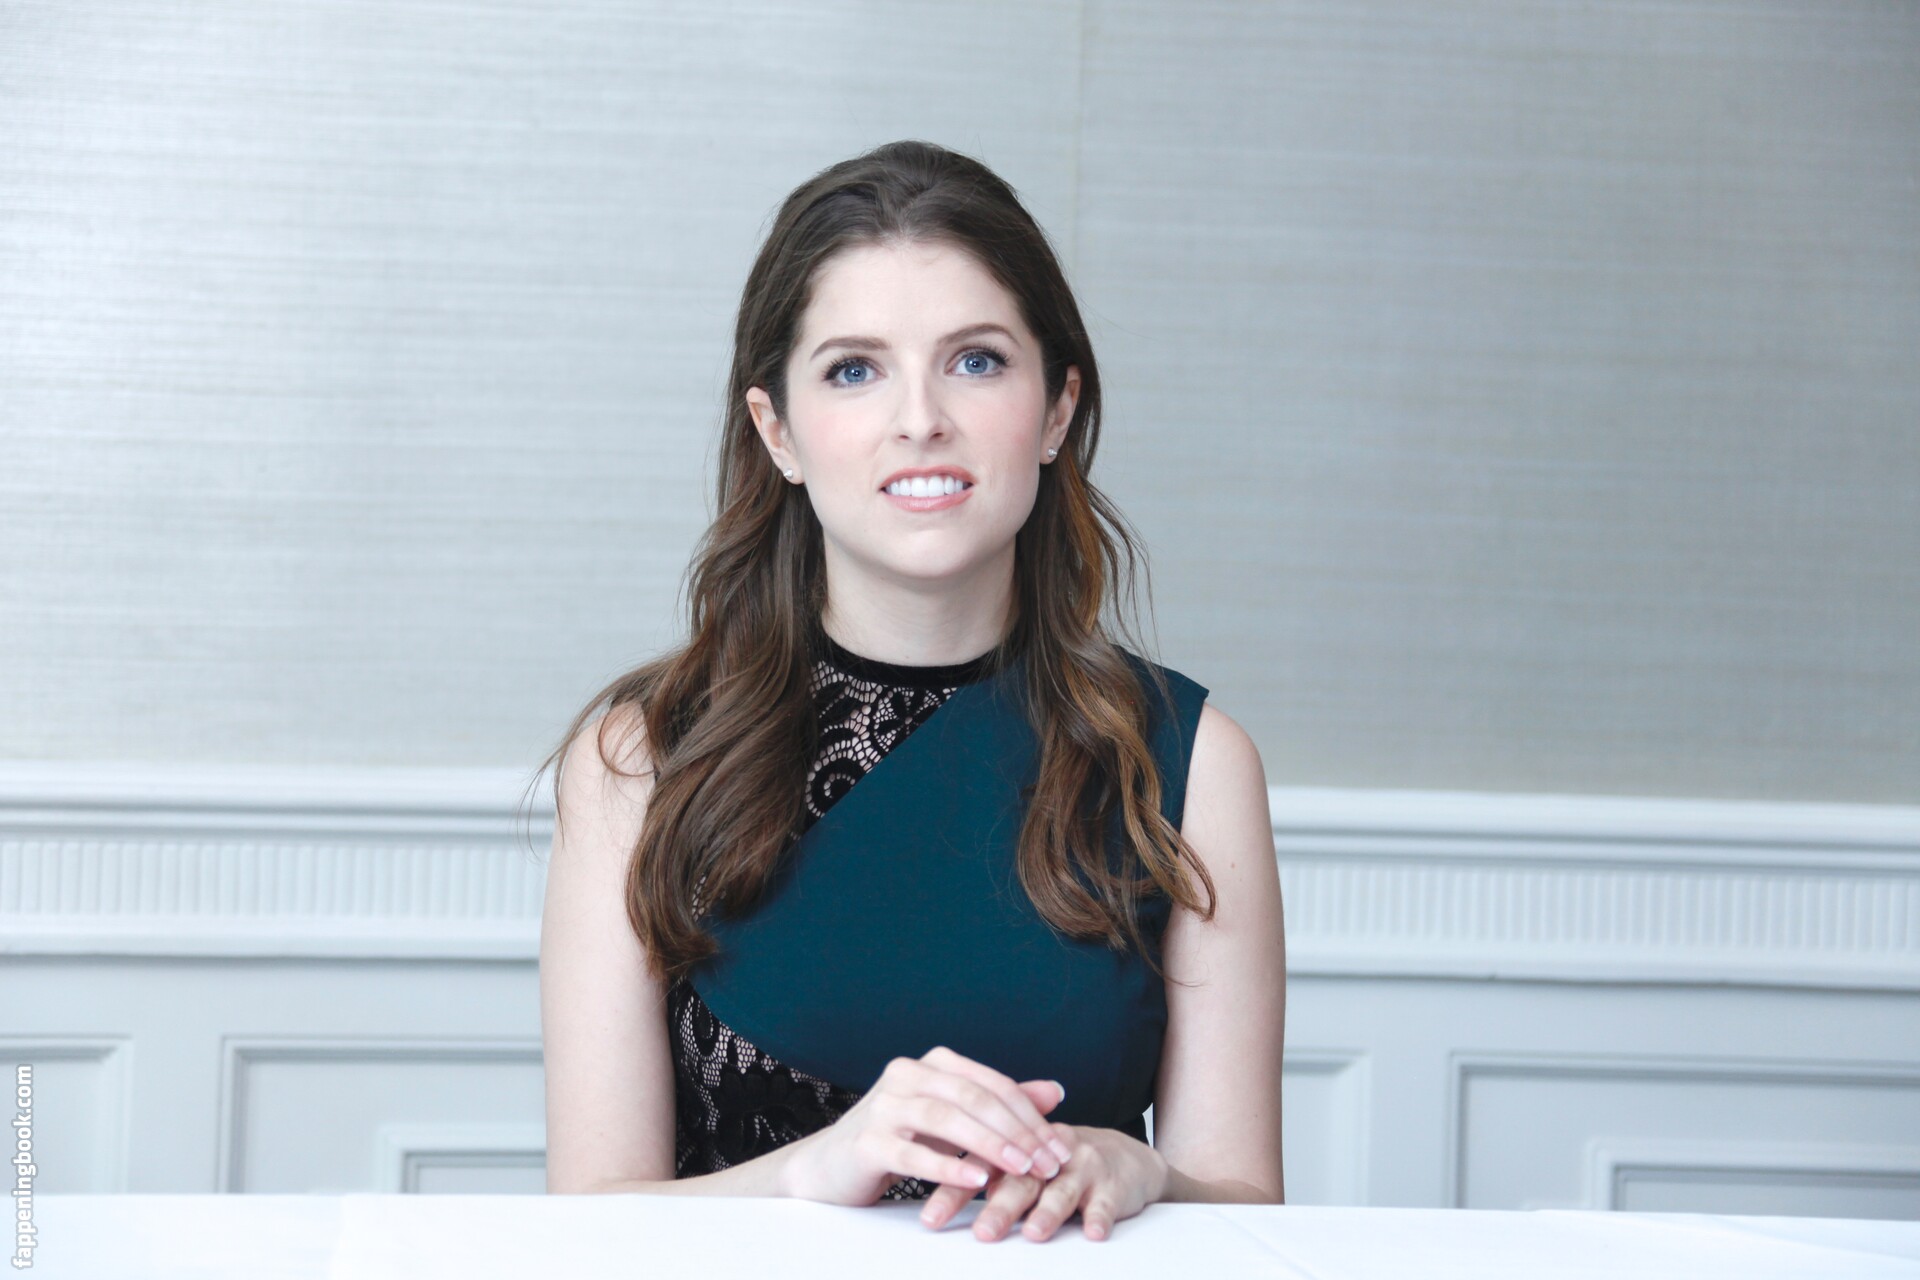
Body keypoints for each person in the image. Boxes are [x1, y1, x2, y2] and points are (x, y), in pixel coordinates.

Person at [533, 139, 1286, 1244]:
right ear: (778, 431)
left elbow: (1248, 1209)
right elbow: (586, 1224)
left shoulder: (1190, 762)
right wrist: (814, 1168)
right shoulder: (640, 761)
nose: (921, 417)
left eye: (976, 361)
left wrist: (1146, 1170)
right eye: (854, 369)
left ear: (1058, 407)